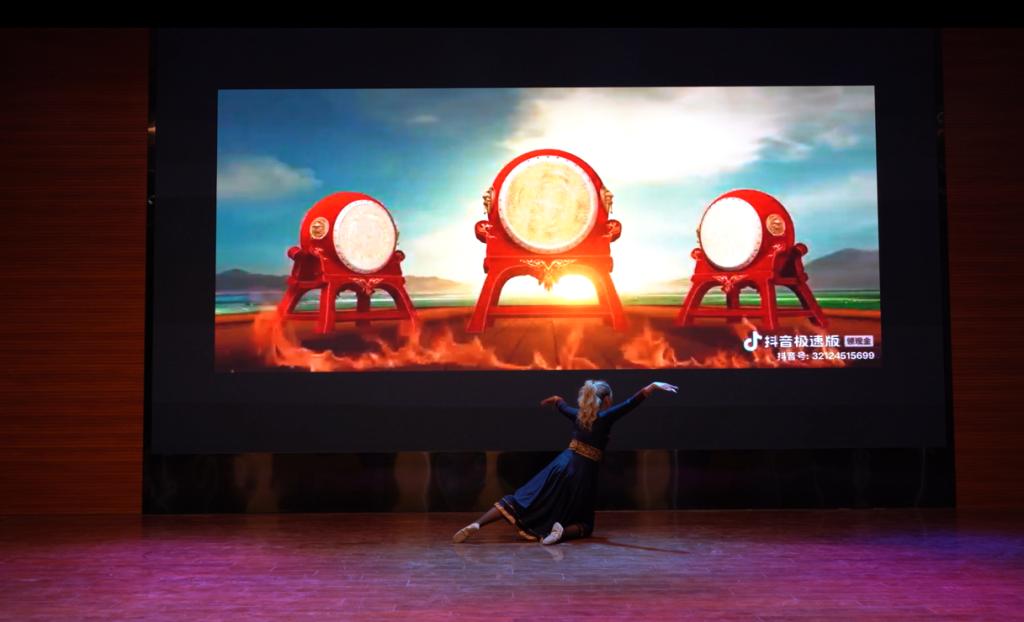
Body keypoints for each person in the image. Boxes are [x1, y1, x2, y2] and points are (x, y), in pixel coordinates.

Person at [452, 379, 678, 545]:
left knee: (523, 498)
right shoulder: (605, 417)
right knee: (585, 523)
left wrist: (556, 399)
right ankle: (560, 531)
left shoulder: (578, 415)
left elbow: (561, 405)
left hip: (561, 464)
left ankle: (477, 524)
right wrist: (652, 387)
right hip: (582, 471)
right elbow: (630, 403)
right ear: (607, 400)